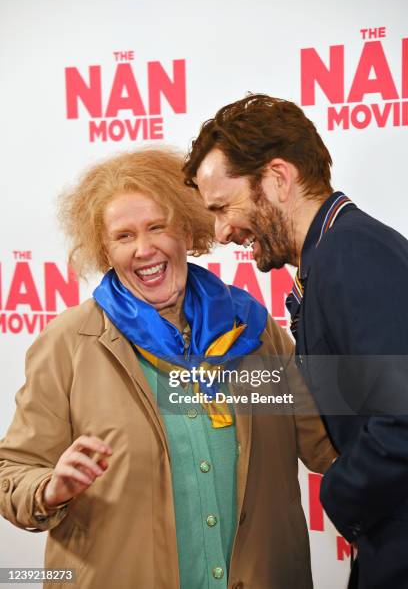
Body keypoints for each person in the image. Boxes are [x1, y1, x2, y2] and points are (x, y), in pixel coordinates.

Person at [0, 148, 335, 589]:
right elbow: (14, 472)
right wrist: (49, 487)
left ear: (187, 230)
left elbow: (326, 442)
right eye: (124, 236)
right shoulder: (70, 343)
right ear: (105, 249)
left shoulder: (251, 328)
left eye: (157, 227)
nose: (144, 249)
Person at [184, 94, 408, 589]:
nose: (222, 231)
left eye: (223, 207)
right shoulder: (330, 255)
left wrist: (341, 496)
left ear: (279, 178)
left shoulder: (353, 254)